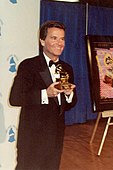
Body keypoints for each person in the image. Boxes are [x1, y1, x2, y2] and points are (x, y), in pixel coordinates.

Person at [9, 21, 77, 170]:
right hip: (32, 139)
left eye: (62, 39)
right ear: (42, 41)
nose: (59, 43)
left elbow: (70, 104)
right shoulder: (28, 66)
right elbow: (15, 98)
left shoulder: (67, 68)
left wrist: (69, 95)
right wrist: (45, 93)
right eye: (54, 38)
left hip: (56, 138)